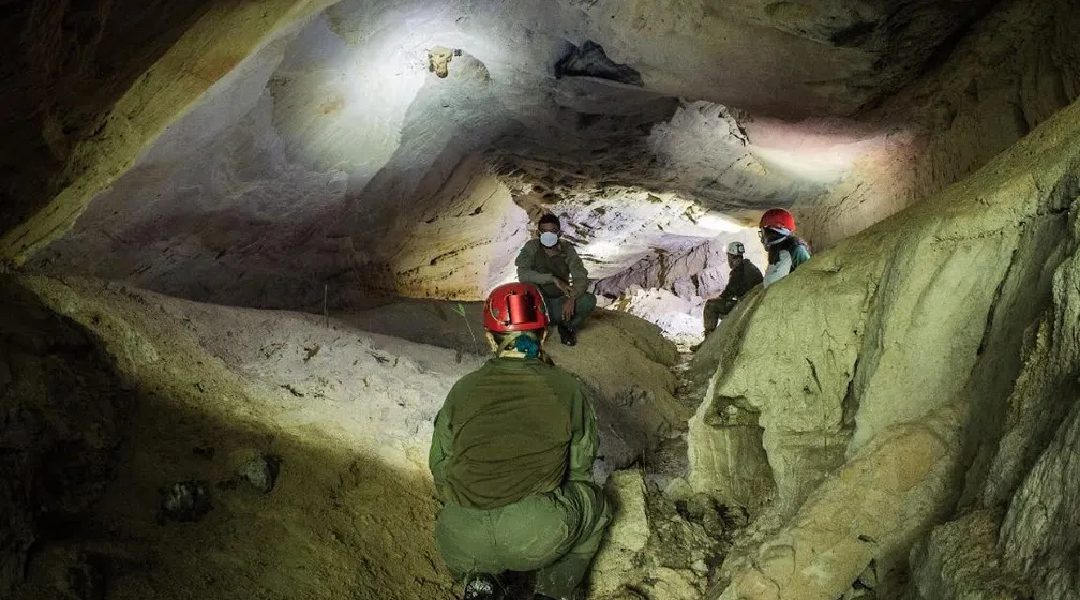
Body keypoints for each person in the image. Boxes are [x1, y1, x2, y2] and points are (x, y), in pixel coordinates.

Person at [429, 282, 611, 600]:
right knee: (599, 506)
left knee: (480, 535)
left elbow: (440, 467)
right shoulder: (567, 389)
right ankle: (553, 591)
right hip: (534, 534)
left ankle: (481, 581)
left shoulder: (462, 389)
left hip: (459, 538)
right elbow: (579, 470)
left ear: (489, 339)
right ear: (543, 335)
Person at [515, 213, 596, 346]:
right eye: (544, 232)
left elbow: (580, 276)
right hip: (538, 303)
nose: (548, 235)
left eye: (552, 232)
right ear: (538, 233)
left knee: (588, 300)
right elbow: (523, 275)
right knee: (524, 292)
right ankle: (535, 329)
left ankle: (566, 326)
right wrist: (553, 279)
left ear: (559, 233)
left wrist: (572, 298)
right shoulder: (532, 247)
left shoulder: (567, 249)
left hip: (560, 303)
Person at [702, 241, 763, 335]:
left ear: (731, 256)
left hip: (745, 306)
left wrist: (721, 298)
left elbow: (729, 292)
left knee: (711, 305)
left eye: (729, 256)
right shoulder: (751, 267)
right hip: (754, 303)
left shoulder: (738, 271)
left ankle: (708, 337)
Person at [759, 208, 811, 288]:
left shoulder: (796, 250)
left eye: (763, 232)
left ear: (773, 231)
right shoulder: (777, 253)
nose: (762, 237)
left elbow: (810, 279)